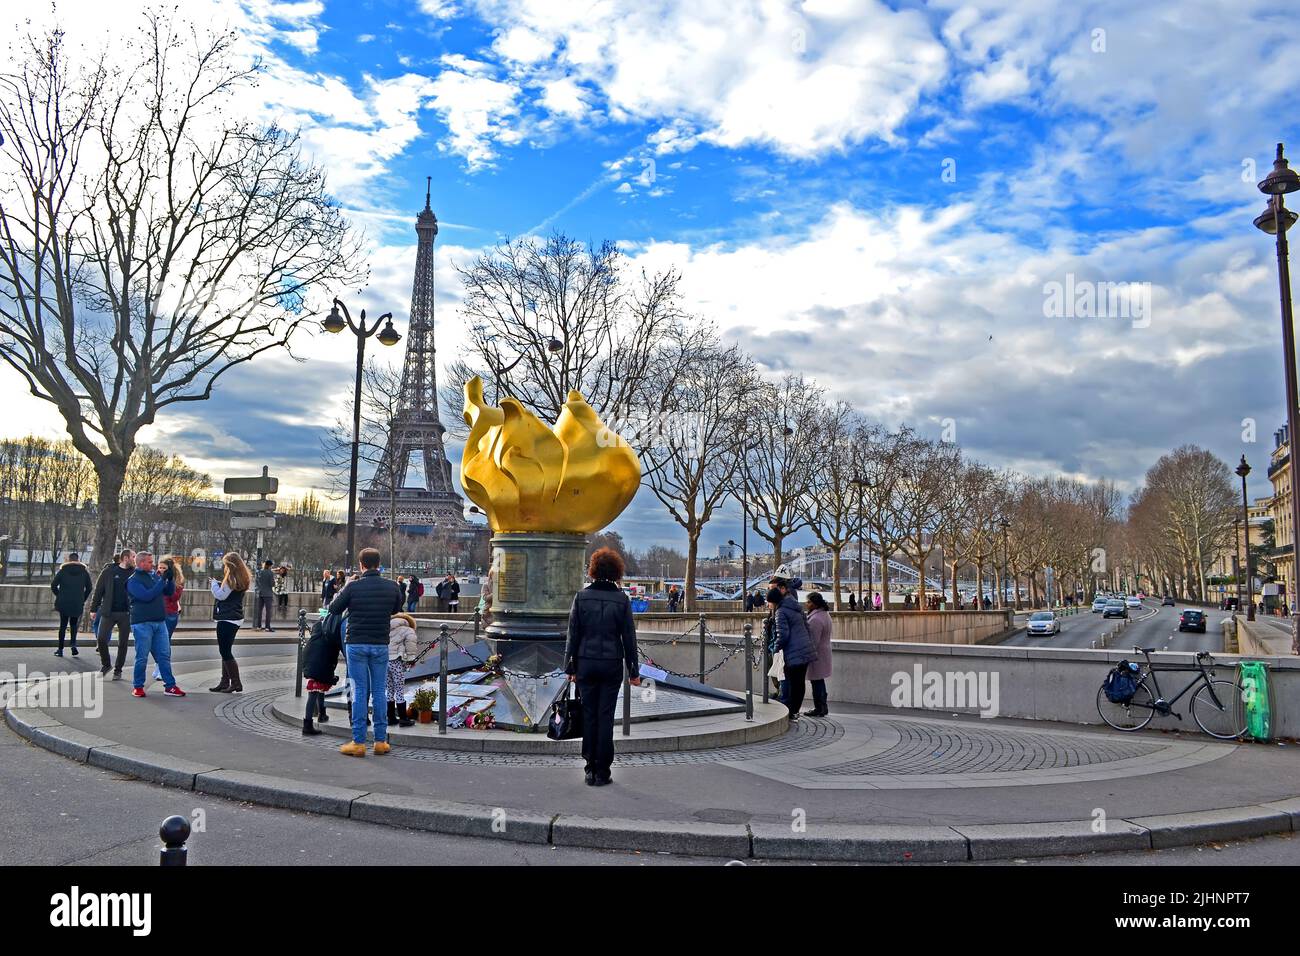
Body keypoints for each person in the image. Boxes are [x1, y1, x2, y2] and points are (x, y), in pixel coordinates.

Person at [565, 548, 640, 786]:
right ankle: (603, 770)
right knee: (605, 716)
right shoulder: (622, 600)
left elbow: (573, 635)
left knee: (589, 715)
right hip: (610, 664)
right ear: (617, 571)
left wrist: (570, 667)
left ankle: (589, 767)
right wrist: (634, 671)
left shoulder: (581, 597)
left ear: (593, 570)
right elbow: (629, 638)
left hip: (586, 663)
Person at [330, 548, 403, 757]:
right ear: (379, 564)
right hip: (380, 644)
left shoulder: (354, 587)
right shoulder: (392, 587)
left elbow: (334, 608)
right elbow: (396, 608)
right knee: (380, 691)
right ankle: (380, 741)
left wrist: (347, 586)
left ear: (361, 565)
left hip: (356, 644)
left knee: (360, 691)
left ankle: (359, 742)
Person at [126, 551, 184, 698]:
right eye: (150, 562)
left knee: (164, 655)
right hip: (142, 623)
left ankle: (170, 686)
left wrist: (169, 579)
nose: (153, 564)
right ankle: (138, 686)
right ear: (141, 563)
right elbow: (147, 596)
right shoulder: (133, 580)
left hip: (159, 621)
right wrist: (161, 580)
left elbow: (169, 592)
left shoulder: (154, 576)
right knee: (142, 656)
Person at [773, 579, 817, 721]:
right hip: (805, 650)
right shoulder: (797, 607)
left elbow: (783, 635)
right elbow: (807, 628)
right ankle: (795, 712)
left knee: (791, 683)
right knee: (799, 683)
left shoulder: (781, 612)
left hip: (793, 652)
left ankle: (791, 711)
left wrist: (775, 648)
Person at [209, 552, 252, 693]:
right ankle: (224, 682)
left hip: (227, 617)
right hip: (235, 617)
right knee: (225, 651)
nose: (224, 567)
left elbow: (221, 595)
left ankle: (235, 683)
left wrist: (214, 584)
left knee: (225, 651)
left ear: (230, 565)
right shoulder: (242, 577)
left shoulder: (231, 578)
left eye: (225, 564)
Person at [91, 549, 135, 680]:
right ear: (125, 558)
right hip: (108, 612)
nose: (135, 559)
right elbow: (98, 591)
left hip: (126, 613)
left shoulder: (135, 573)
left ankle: (118, 670)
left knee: (123, 643)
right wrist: (93, 609)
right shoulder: (109, 571)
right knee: (101, 639)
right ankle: (106, 664)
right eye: (133, 557)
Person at [301, 610, 343, 735]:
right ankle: (307, 725)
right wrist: (332, 678)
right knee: (314, 692)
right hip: (320, 664)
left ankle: (322, 714)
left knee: (319, 688)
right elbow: (332, 656)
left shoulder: (317, 631)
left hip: (310, 660)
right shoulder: (332, 633)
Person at [50, 552, 92, 657]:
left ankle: (60, 649)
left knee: (63, 626)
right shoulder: (84, 572)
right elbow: (89, 588)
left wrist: (59, 595)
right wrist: (82, 598)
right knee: (74, 625)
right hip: (77, 602)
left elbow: (53, 585)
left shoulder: (63, 571)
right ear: (78, 560)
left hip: (64, 602)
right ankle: (73, 645)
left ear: (69, 560)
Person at [387, 612, 419, 729]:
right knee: (399, 689)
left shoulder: (388, 626)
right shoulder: (408, 629)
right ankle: (403, 718)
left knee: (389, 689)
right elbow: (411, 646)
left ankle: (390, 717)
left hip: (385, 661)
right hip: (397, 662)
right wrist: (411, 660)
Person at [804, 591, 833, 717]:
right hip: (824, 652)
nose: (807, 604)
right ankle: (822, 706)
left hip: (817, 655)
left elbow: (813, 641)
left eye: (809, 602)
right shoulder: (825, 614)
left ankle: (819, 707)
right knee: (819, 681)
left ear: (815, 604)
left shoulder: (815, 619)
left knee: (816, 682)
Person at [255, 560, 276, 632]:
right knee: (268, 611)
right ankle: (267, 627)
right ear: (270, 565)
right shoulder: (270, 573)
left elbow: (257, 582)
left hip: (260, 593)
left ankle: (258, 626)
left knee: (259, 611)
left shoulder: (259, 572)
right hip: (268, 594)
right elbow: (272, 584)